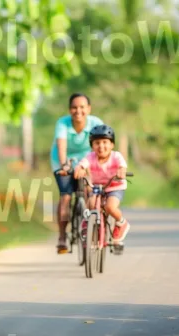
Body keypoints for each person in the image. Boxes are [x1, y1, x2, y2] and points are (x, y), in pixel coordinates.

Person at [51, 93, 104, 253]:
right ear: (69, 110)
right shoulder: (63, 123)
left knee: (90, 192)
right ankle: (62, 236)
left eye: (82, 107)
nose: (78, 111)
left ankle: (89, 228)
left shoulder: (96, 123)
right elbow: (61, 146)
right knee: (66, 196)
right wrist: (64, 166)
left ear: (88, 109)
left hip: (88, 162)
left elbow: (102, 148)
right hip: (64, 161)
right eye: (74, 107)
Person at [73, 124, 130, 244]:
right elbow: (84, 163)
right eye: (97, 143)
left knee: (110, 207)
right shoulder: (91, 157)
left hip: (115, 186)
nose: (101, 146)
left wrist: (121, 171)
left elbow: (122, 166)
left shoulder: (116, 156)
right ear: (92, 146)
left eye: (105, 142)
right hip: (97, 187)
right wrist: (80, 168)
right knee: (91, 203)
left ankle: (121, 222)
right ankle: (88, 222)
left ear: (112, 145)